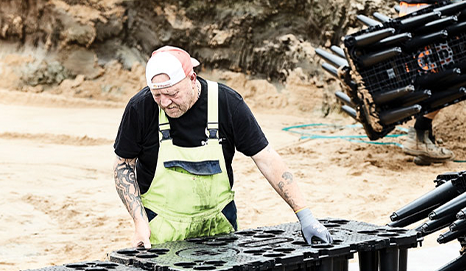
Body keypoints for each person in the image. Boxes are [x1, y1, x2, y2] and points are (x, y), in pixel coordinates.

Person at [113, 46, 332, 247]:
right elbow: (123, 165)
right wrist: (140, 222)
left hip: (218, 225)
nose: (165, 102)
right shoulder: (140, 107)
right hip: (162, 226)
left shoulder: (226, 103)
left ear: (192, 79)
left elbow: (266, 157)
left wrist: (305, 215)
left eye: (172, 94)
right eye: (157, 95)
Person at [396, 2, 456, 166]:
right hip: (425, 16)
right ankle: (418, 135)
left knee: (429, 77)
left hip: (414, 14)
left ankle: (425, 141)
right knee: (445, 78)